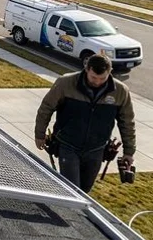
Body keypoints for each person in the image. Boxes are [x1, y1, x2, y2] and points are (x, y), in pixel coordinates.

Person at [34, 54, 135, 193]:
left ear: (110, 72)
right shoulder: (65, 83)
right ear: (86, 69)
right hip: (68, 145)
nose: (98, 82)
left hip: (97, 149)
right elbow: (46, 108)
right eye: (94, 77)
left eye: (102, 78)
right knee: (72, 189)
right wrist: (39, 134)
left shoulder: (120, 91)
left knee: (85, 190)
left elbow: (127, 122)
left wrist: (129, 152)